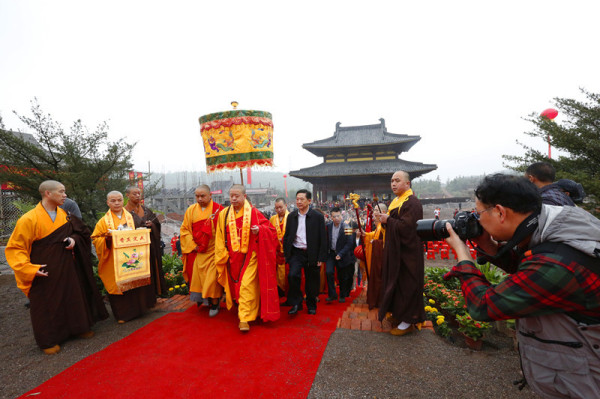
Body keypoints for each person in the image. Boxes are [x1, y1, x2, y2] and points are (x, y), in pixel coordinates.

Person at [443, 173, 600, 398]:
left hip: (585, 382)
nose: (477, 221)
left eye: (479, 214)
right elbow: (528, 267)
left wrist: (462, 254)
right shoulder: (559, 220)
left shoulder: (558, 264)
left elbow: (483, 306)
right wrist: (487, 244)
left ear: (500, 212)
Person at [5, 180, 108, 354]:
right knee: (47, 304)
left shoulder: (65, 215)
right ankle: (49, 340)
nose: (65, 195)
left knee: (73, 296)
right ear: (48, 193)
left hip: (68, 266)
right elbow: (16, 248)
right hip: (43, 269)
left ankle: (79, 327)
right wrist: (28, 269)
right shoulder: (29, 219)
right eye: (61, 192)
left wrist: (74, 239)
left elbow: (82, 232)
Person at [214, 184, 279, 332]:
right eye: (231, 196)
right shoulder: (224, 214)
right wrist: (222, 253)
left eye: (237, 195)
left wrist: (259, 230)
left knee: (246, 286)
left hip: (250, 256)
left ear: (245, 196)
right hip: (232, 257)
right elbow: (219, 236)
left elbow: (271, 231)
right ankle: (250, 310)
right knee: (238, 287)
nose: (234, 198)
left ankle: (244, 319)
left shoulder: (254, 213)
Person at [92, 191, 156, 323]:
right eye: (113, 200)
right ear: (108, 203)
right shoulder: (103, 221)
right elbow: (96, 239)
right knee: (118, 285)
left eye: (119, 200)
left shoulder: (131, 217)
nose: (116, 203)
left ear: (123, 201)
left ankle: (138, 311)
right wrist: (107, 240)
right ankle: (123, 315)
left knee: (133, 281)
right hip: (113, 260)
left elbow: (141, 231)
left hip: (131, 256)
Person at [378, 171, 425, 336]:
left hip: (408, 253)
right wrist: (385, 222)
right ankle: (398, 314)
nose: (393, 184)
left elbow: (407, 228)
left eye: (397, 180)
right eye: (391, 181)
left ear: (407, 184)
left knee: (407, 284)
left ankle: (408, 321)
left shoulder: (412, 202)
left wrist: (388, 220)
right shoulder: (396, 201)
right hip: (395, 250)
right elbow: (394, 225)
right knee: (396, 283)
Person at [180, 185, 224, 316]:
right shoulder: (191, 210)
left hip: (214, 250)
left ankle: (215, 304)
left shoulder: (219, 210)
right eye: (197, 196)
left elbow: (223, 231)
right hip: (199, 250)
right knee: (200, 279)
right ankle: (205, 301)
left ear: (210, 195)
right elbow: (185, 230)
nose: (199, 199)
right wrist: (193, 245)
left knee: (212, 279)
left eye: (202, 196)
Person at [283, 189, 327, 316]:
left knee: (312, 281)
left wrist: (321, 256)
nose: (299, 202)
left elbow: (323, 238)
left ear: (309, 201)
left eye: (302, 199)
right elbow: (287, 236)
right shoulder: (291, 216)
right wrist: (287, 254)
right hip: (296, 252)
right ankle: (297, 303)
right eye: (297, 199)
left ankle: (311, 304)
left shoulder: (318, 217)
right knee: (292, 276)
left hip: (312, 252)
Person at [124, 186, 167, 297]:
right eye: (134, 194)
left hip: (150, 246)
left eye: (139, 193)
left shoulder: (146, 210)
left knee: (152, 268)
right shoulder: (124, 212)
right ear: (127, 195)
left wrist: (151, 225)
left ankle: (155, 293)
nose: (138, 196)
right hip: (135, 248)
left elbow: (157, 224)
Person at [325, 207, 355, 303]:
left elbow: (350, 243)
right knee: (329, 272)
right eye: (334, 216)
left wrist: (341, 254)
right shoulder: (328, 226)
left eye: (338, 216)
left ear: (341, 216)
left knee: (342, 276)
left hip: (342, 255)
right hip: (331, 254)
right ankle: (332, 295)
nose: (336, 218)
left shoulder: (347, 227)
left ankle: (342, 294)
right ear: (331, 217)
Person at [362, 203, 388, 309]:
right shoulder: (379, 225)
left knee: (379, 279)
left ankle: (379, 301)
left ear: (384, 212)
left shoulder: (385, 225)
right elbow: (375, 235)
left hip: (381, 258)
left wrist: (375, 243)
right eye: (375, 210)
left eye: (377, 210)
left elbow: (386, 240)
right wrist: (366, 235)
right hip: (377, 257)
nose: (374, 212)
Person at [269, 197, 289, 298]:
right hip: (277, 252)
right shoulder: (272, 219)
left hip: (288, 252)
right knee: (277, 274)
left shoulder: (291, 217)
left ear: (286, 205)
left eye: (281, 207)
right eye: (276, 208)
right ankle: (280, 292)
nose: (279, 210)